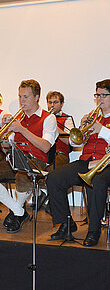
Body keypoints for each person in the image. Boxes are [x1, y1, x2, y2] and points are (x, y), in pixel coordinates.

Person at [0, 79, 58, 233]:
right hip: (14, 160)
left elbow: (46, 146)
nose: (22, 101)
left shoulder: (48, 118)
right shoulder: (19, 118)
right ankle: (18, 211)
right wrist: (5, 138)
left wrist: (21, 130)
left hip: (36, 161)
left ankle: (17, 211)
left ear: (36, 97)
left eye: (26, 97)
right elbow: (7, 147)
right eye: (20, 96)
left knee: (22, 175)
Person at [46, 79, 110, 247]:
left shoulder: (99, 121)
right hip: (86, 161)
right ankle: (66, 223)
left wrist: (101, 130)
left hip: (106, 164)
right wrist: (81, 130)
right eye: (97, 95)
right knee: (54, 178)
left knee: (97, 182)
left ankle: (94, 230)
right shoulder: (92, 116)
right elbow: (75, 144)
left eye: (104, 95)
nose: (100, 99)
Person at [46, 91, 74, 168]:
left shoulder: (67, 119)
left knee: (52, 169)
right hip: (44, 154)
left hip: (59, 154)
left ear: (61, 104)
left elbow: (68, 141)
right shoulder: (43, 118)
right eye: (50, 102)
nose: (52, 105)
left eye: (55, 102)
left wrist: (54, 126)